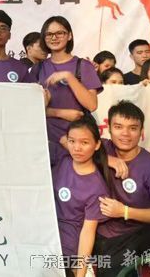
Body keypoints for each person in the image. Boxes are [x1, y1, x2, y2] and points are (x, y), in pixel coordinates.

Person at [95, 101, 150, 277]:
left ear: (141, 132)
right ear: (109, 128)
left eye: (133, 128)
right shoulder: (100, 148)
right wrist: (107, 159)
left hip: (142, 232)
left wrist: (125, 211)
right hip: (109, 237)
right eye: (118, 127)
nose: (125, 134)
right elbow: (66, 142)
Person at [50, 116, 112, 277]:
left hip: (66, 250)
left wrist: (80, 273)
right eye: (72, 141)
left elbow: (87, 233)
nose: (76, 148)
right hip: (43, 237)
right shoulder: (61, 159)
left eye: (84, 142)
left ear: (97, 145)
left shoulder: (97, 187)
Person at [31, 16, 102, 143]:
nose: (54, 38)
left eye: (60, 33)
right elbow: (29, 108)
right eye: (49, 34)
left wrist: (69, 77)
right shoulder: (38, 68)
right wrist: (58, 113)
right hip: (45, 137)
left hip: (76, 138)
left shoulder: (83, 66)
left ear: (69, 36)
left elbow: (92, 105)